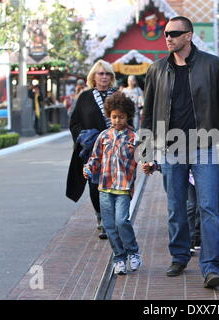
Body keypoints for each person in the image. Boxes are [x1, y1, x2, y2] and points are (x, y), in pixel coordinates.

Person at [141, 16, 219, 288]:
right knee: (176, 208)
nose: (168, 38)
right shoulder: (157, 69)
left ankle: (210, 267)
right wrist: (146, 152)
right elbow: (147, 113)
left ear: (189, 35)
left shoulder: (213, 65)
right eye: (166, 34)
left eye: (174, 33)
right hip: (171, 149)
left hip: (205, 147)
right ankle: (179, 255)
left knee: (209, 208)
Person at [83, 92, 142, 274]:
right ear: (109, 115)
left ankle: (133, 252)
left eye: (121, 117)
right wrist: (88, 169)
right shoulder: (103, 136)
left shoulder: (134, 137)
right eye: (114, 117)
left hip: (124, 186)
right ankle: (119, 257)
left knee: (121, 221)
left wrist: (150, 165)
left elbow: (144, 157)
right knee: (109, 225)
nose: (117, 120)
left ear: (128, 116)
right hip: (105, 187)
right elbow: (95, 157)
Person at [66, 60, 117, 240]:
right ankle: (102, 217)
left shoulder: (118, 96)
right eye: (100, 73)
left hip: (115, 149)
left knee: (113, 185)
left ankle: (113, 218)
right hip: (93, 150)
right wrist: (85, 137)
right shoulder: (85, 97)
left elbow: (130, 120)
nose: (104, 77)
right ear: (93, 77)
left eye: (107, 74)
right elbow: (74, 123)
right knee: (95, 185)